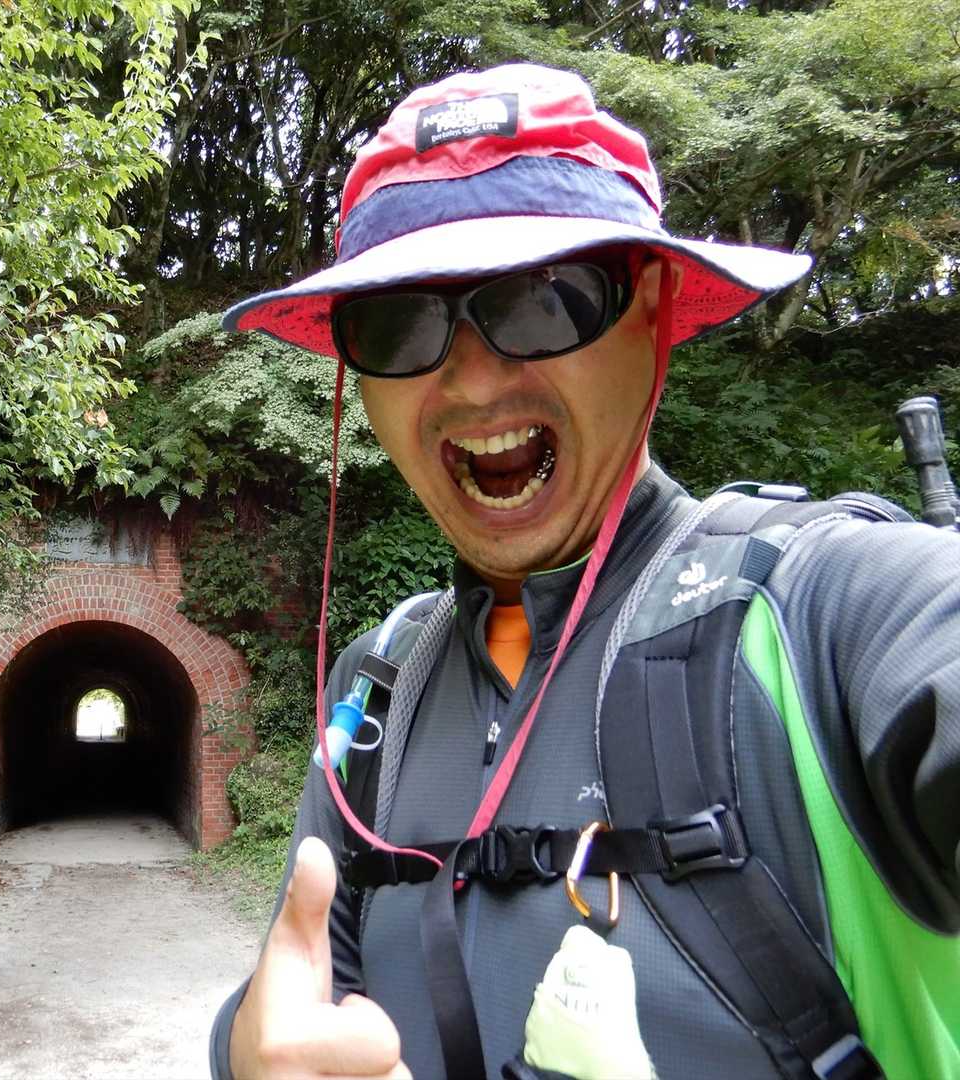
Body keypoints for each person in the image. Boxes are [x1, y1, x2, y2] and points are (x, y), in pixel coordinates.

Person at [207, 63, 960, 1079]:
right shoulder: (376, 687)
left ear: (651, 306)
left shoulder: (824, 613)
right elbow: (296, 994)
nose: (474, 382)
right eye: (397, 324)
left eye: (543, 299)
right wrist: (247, 1050)